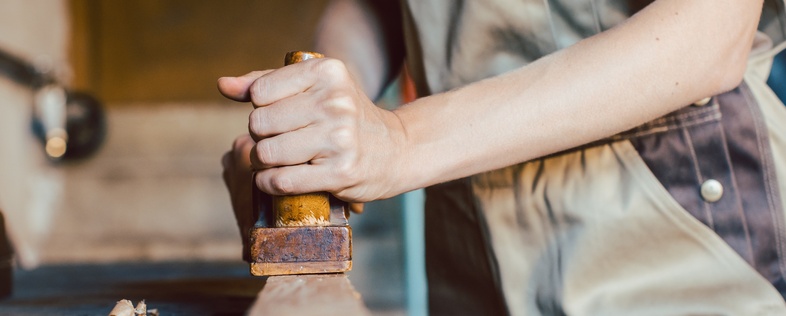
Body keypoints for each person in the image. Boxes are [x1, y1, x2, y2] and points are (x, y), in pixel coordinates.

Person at [221, 0, 786, 314]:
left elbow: (711, 32)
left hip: (669, 229)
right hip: (469, 245)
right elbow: (381, 8)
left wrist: (400, 140)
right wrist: (314, 121)